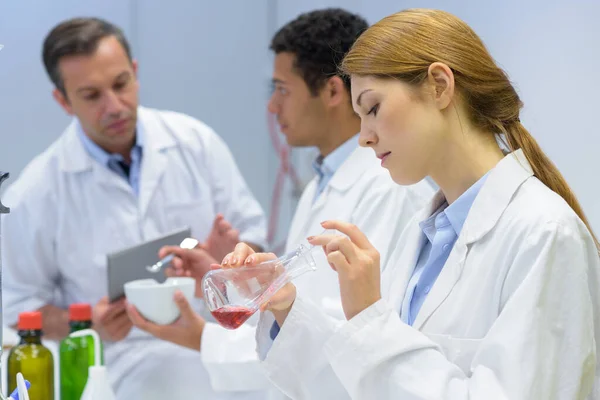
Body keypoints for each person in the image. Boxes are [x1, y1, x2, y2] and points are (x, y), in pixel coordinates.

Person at [223, 8, 600, 400]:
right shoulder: (424, 236)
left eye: (372, 109)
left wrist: (371, 320)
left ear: (439, 85)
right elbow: (369, 385)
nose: (364, 138)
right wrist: (286, 307)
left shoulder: (543, 233)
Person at [126, 8, 434, 397]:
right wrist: (241, 283)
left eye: (282, 90)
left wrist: (203, 337)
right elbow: (300, 304)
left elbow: (356, 338)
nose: (272, 107)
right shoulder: (320, 185)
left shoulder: (389, 188)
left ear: (333, 92)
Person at [1, 17, 267, 400]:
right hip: (120, 366)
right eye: (92, 95)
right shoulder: (35, 193)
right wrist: (83, 324)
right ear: (63, 100)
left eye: (121, 84)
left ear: (136, 72)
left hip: (219, 347)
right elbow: (20, 307)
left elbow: (254, 241)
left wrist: (229, 263)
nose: (115, 106)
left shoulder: (196, 144)